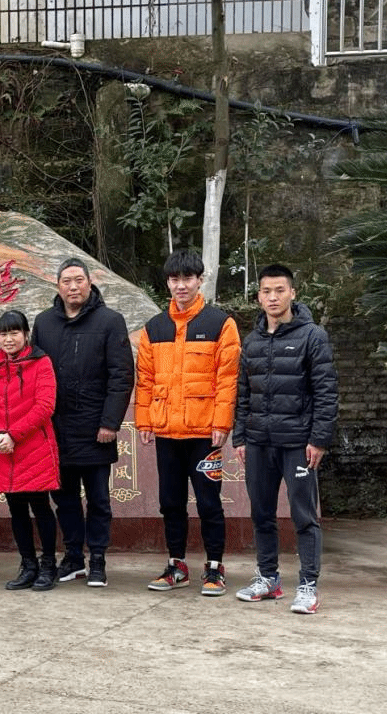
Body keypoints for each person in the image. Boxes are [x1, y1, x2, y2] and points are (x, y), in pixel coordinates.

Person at [233, 264, 338, 614]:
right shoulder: (252, 341)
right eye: (266, 291)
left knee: (303, 516)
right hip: (258, 443)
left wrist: (318, 440)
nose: (273, 297)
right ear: (258, 297)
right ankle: (268, 579)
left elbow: (326, 392)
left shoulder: (313, 336)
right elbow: (243, 393)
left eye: (280, 290)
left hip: (298, 444)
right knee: (261, 513)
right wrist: (241, 438)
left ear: (292, 293)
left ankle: (308, 585)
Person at [136, 250, 240, 596]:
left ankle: (214, 567)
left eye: (187, 278)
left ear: (199, 280)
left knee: (209, 502)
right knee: (170, 502)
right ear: (167, 283)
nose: (181, 285)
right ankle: (176, 565)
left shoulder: (220, 324)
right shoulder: (154, 328)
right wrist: (145, 420)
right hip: (167, 431)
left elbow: (227, 378)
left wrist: (222, 423)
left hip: (204, 433)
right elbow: (145, 379)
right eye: (174, 279)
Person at [31, 258, 134, 588]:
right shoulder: (44, 323)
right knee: (64, 498)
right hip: (57, 428)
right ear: (57, 286)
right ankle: (73, 556)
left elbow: (121, 376)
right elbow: (33, 371)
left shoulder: (110, 321)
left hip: (95, 428)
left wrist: (110, 422)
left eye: (78, 280)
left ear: (90, 283)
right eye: (66, 281)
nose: (73, 287)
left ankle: (98, 558)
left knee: (98, 499)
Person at [0, 310, 62, 591]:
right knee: (16, 509)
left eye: (14, 333)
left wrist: (13, 434)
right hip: (6, 450)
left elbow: (45, 406)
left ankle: (48, 564)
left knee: (40, 506)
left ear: (26, 334)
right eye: (3, 334)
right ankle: (28, 564)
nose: (9, 339)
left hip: (34, 446)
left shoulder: (41, 362)